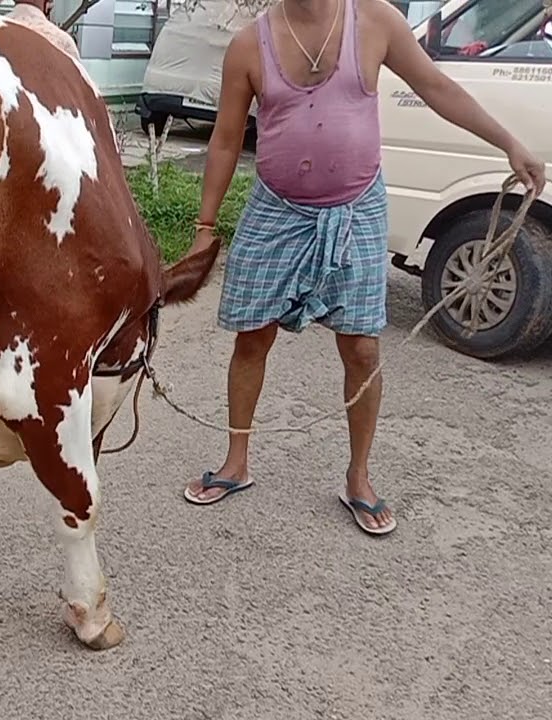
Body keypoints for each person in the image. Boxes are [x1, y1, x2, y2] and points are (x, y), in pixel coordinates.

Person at [177, 0, 547, 535]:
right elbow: (227, 139)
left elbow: (438, 89)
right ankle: (236, 461)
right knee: (251, 338)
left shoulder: (375, 21)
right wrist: (204, 228)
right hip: (276, 210)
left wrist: (508, 143)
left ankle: (359, 477)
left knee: (362, 347)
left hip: (356, 209)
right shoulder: (247, 46)